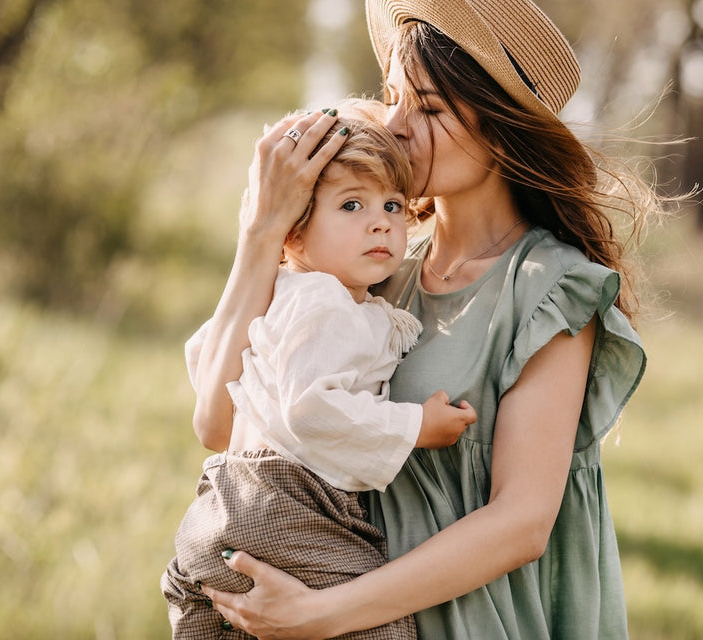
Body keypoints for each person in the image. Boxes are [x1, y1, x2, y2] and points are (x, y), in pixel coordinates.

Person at [192, 0, 671, 637]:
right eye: (392, 96)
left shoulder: (549, 288)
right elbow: (216, 422)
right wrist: (261, 232)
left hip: (474, 621)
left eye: (429, 108)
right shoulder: (368, 268)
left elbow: (522, 522)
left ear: (502, 130)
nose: (393, 125)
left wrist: (319, 614)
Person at [162, 99, 477, 639]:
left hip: (220, 508)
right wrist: (414, 427)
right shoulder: (326, 304)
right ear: (296, 234)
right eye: (352, 206)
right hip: (289, 504)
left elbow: (207, 357)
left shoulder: (285, 292)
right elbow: (310, 409)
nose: (379, 222)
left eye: (393, 206)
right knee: (381, 626)